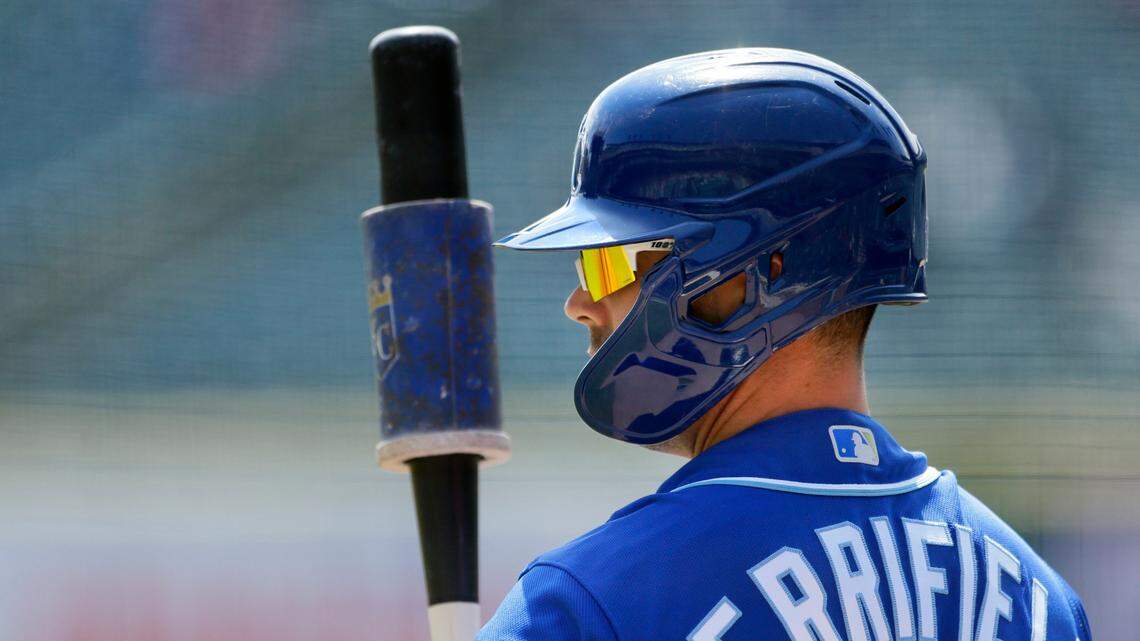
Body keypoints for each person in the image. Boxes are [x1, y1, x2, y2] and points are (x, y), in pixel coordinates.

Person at [478, 48, 1090, 641]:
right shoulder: (1043, 602)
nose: (579, 303)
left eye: (607, 263)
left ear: (753, 277)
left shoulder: (594, 600)